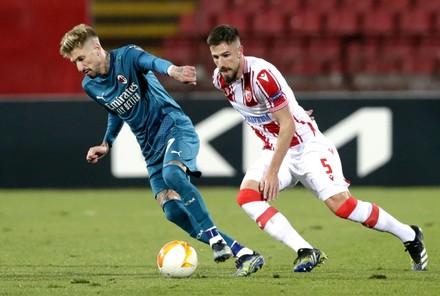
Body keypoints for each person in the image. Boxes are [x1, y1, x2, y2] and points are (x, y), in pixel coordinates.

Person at [206, 24, 428, 272]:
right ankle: (306, 250)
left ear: (240, 51)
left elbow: (287, 125)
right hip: (275, 148)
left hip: (306, 146)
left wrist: (272, 171)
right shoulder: (220, 79)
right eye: (216, 57)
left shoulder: (262, 76)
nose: (221, 63)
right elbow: (270, 113)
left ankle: (410, 234)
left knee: (343, 207)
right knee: (247, 196)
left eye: (226, 55)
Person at [59, 24, 264, 277]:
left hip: (173, 127)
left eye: (81, 58)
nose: (80, 67)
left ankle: (215, 239)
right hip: (150, 148)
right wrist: (106, 143)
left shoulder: (128, 56)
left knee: (174, 175)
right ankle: (244, 253)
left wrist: (174, 71)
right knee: (173, 212)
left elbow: (152, 62)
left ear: (97, 48)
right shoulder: (91, 86)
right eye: (74, 62)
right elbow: (114, 110)